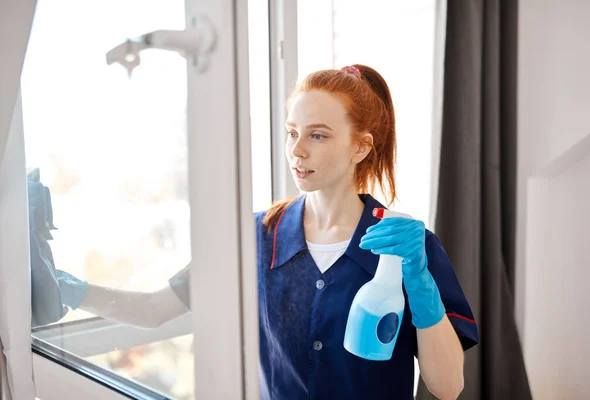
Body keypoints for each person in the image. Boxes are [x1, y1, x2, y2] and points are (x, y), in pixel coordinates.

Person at [55, 64, 478, 399]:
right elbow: (154, 311)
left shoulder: (408, 247)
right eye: (293, 133)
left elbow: (448, 387)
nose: (297, 150)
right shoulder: (255, 237)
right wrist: (69, 290)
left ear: (361, 147)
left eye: (318, 135)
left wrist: (420, 284)